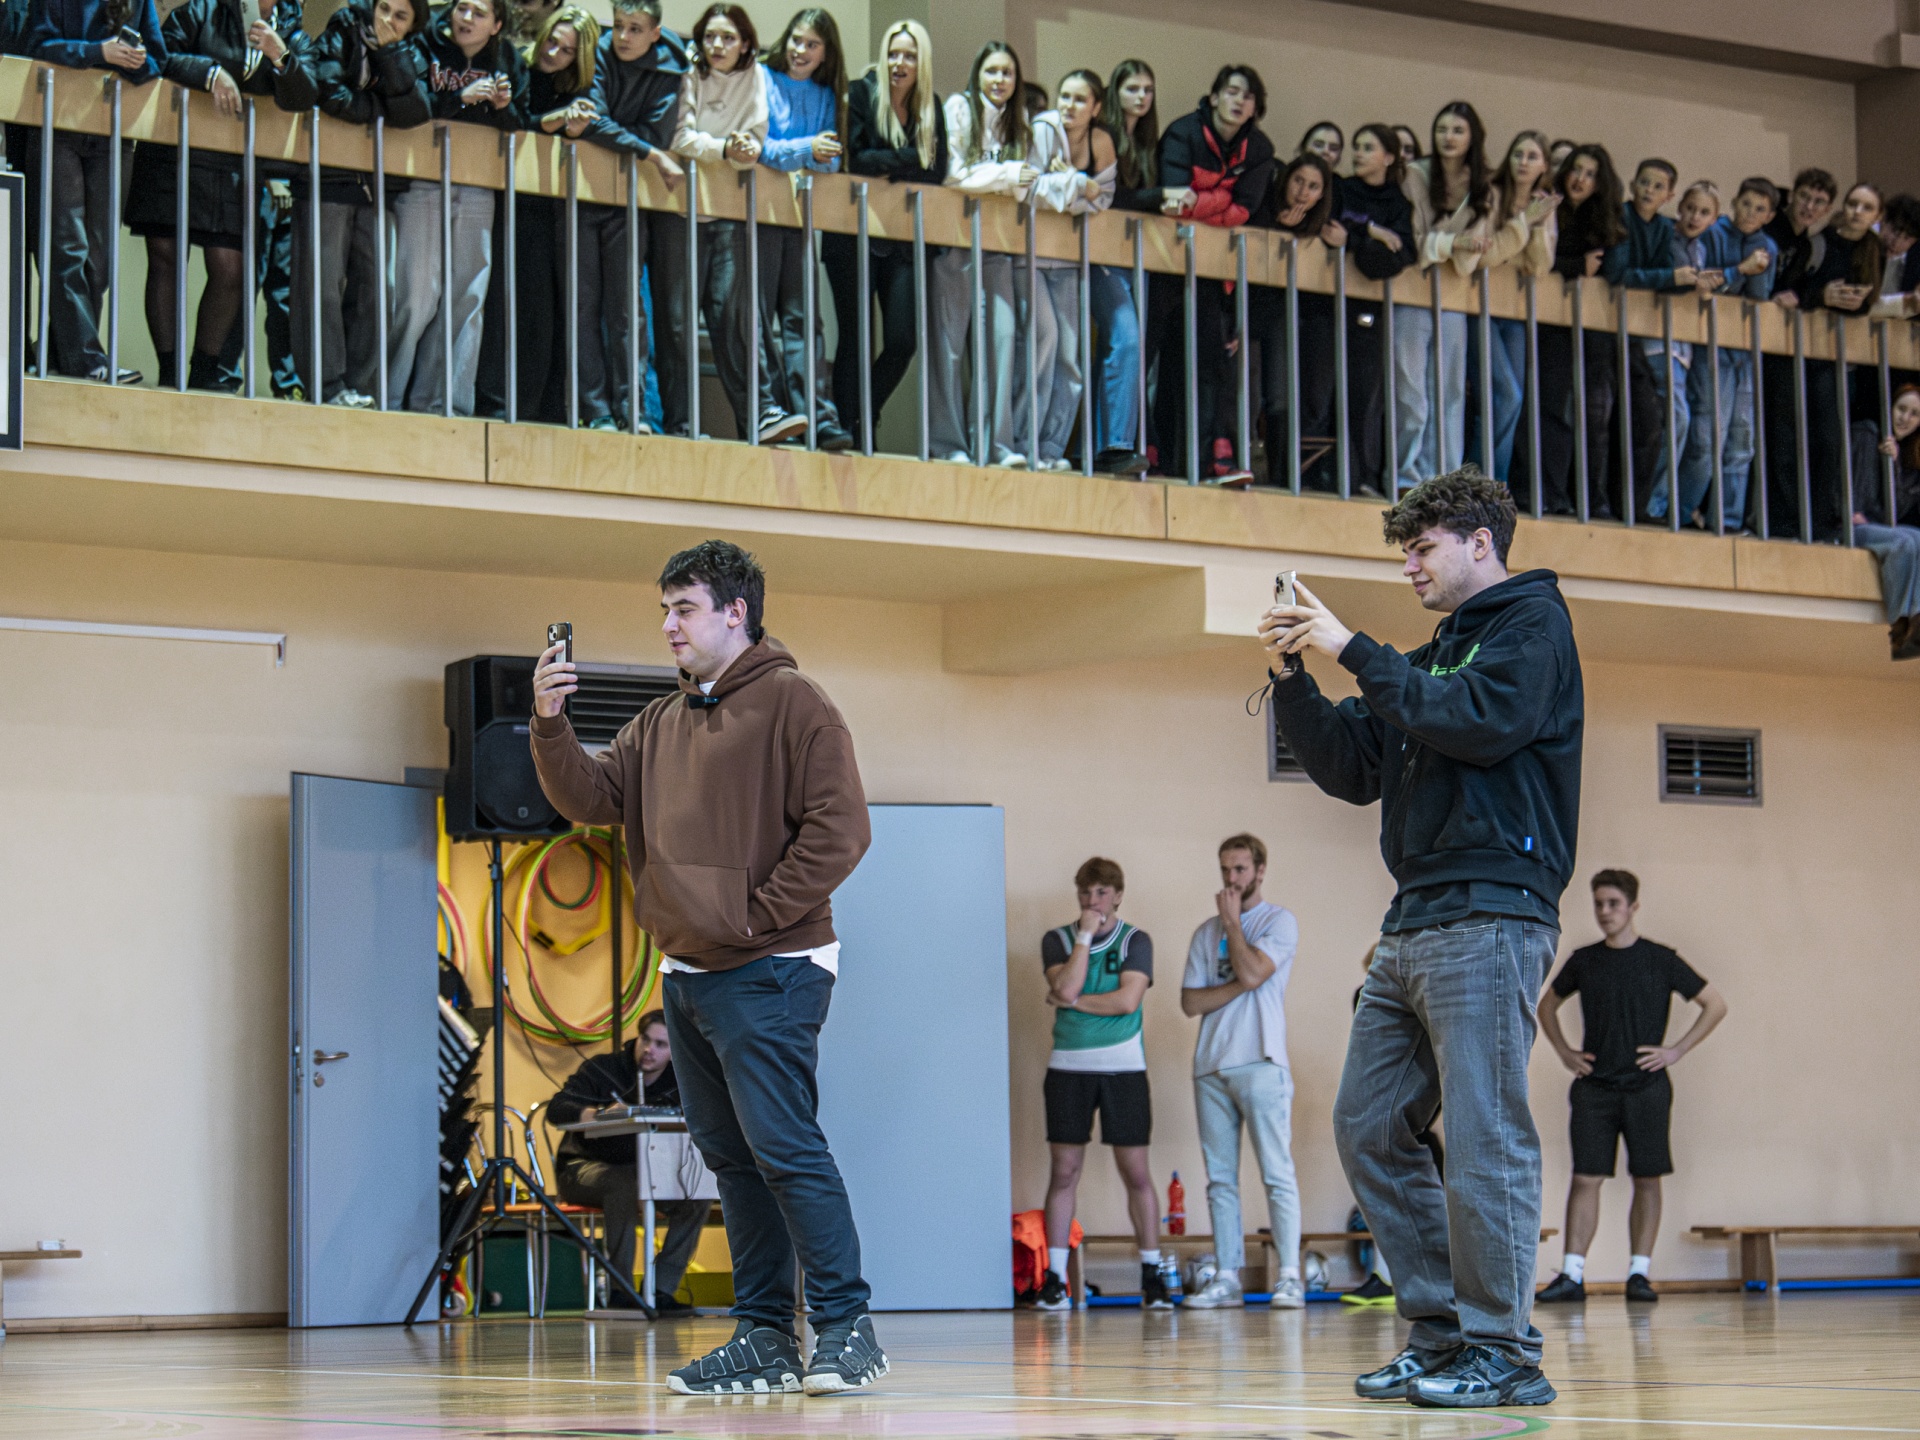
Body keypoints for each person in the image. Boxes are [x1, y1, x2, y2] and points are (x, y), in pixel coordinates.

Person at [529, 538, 884, 1396]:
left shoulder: (797, 704)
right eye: (664, 610)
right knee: (731, 1160)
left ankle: (848, 1328)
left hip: (773, 965)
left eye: (683, 608)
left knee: (784, 1147)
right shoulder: (658, 723)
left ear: (736, 612)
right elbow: (590, 798)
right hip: (688, 973)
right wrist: (550, 724)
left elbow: (842, 831)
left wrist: (753, 916)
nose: (668, 625)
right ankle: (764, 1336)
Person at [1260, 466, 1582, 1409]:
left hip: (1493, 912)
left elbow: (1481, 723)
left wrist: (1353, 648)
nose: (1409, 566)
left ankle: (1505, 1352)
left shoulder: (1533, 627)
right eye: (1405, 551)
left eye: (1422, 548)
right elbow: (1353, 768)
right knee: (1367, 1125)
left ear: (1481, 542)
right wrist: (1292, 675)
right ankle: (1442, 1334)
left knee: (1485, 1139)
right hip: (1413, 919)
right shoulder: (1433, 654)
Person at [1536, 870, 1727, 1304]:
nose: (1605, 912)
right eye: (1599, 904)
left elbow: (1715, 1004)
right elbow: (1546, 1006)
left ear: (1633, 907)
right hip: (1595, 1088)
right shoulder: (1584, 960)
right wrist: (1565, 1052)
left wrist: (1676, 1051)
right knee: (1586, 1177)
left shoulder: (1661, 960)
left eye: (1613, 904)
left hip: (1647, 1087)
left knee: (1647, 1177)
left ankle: (1639, 1273)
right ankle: (1572, 1275)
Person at [130, 0, 315, 393]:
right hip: (173, 147)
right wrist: (210, 73)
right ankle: (169, 374)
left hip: (232, 161)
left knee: (231, 269)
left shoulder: (292, 31)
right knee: (165, 259)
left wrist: (280, 55)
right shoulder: (203, 8)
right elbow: (161, 55)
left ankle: (203, 373)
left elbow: (305, 95)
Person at [1178, 834, 1304, 1311]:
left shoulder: (1278, 921)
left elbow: (1252, 972)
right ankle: (1227, 1276)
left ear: (1260, 871)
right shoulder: (1203, 933)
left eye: (1240, 869)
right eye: (1225, 869)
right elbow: (1191, 1001)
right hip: (1210, 1064)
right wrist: (1241, 982)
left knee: (1276, 1172)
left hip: (1261, 1062)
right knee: (1220, 1179)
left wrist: (1232, 924)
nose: (1231, 879)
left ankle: (1289, 1276)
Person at [1034, 857, 1163, 1311]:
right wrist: (1085, 937)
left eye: (1102, 893)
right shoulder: (1058, 940)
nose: (1093, 901)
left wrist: (1070, 1001)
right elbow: (1066, 986)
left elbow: (1127, 1001)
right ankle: (1054, 1278)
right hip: (1068, 1068)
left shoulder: (1135, 940)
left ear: (1118, 895)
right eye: (1086, 893)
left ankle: (1152, 1273)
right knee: (1064, 1171)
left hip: (1123, 1067)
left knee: (1136, 1172)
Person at [391, 0, 526, 416]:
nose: (466, 19)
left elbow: (521, 123)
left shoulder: (508, 60)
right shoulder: (423, 44)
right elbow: (407, 105)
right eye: (462, 8)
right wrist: (458, 97)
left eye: (479, 13)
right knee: (416, 295)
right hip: (423, 177)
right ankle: (389, 395)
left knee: (467, 298)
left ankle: (443, 403)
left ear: (496, 25)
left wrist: (503, 108)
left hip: (478, 183)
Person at [295, 0, 431, 409]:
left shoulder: (412, 51)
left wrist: (391, 53)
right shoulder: (345, 25)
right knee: (322, 286)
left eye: (400, 16)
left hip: (379, 186)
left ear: (413, 25)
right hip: (328, 177)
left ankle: (361, 386)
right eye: (383, 8)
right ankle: (325, 386)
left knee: (380, 291)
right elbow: (327, 90)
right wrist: (380, 114)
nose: (387, 20)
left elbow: (415, 111)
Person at [822, 18, 944, 453]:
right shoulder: (861, 93)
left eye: (909, 55)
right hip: (850, 233)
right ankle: (849, 429)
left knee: (902, 341)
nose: (899, 62)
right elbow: (855, 159)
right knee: (855, 338)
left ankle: (864, 411)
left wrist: (890, 162)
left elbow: (938, 171)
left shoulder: (931, 105)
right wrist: (910, 157)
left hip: (903, 241)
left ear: (921, 62)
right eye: (893, 53)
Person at [28, 0, 166, 384]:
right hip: (58, 123)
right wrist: (97, 52)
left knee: (99, 260)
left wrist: (136, 62)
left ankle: (60, 352)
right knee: (67, 250)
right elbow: (38, 46)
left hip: (112, 131)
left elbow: (158, 60)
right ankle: (88, 360)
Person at [1149, 63, 1273, 482]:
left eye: (1247, 96)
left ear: (1255, 107)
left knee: (1209, 365)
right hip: (1164, 262)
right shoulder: (1183, 132)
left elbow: (1245, 209)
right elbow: (1173, 201)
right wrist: (1221, 199)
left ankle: (1209, 458)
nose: (1239, 101)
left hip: (1210, 273)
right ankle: (1146, 445)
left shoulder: (1259, 149)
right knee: (1151, 358)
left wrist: (1201, 204)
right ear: (1215, 96)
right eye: (1232, 92)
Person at [547, 1010, 712, 1313]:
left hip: (646, 1173)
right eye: (645, 1040)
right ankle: (621, 1291)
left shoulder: (680, 1079)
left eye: (661, 1045)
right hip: (582, 1168)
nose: (649, 1049)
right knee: (623, 1184)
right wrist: (597, 1115)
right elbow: (556, 1109)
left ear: (674, 1050)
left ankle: (661, 1289)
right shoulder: (603, 1069)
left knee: (696, 1193)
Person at [574, 0, 689, 434]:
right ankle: (596, 410)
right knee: (582, 304)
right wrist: (649, 154)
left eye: (635, 29)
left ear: (656, 33)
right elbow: (592, 120)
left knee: (628, 309)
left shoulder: (671, 68)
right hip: (582, 191)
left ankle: (635, 410)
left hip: (630, 199)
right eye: (619, 25)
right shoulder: (599, 50)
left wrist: (627, 140)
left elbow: (654, 131)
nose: (623, 36)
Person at [483, 3, 594, 425]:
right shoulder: (518, 66)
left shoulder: (581, 90)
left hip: (555, 209)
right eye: (551, 41)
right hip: (512, 201)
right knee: (506, 304)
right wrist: (554, 122)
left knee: (549, 314)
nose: (552, 53)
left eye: (566, 50)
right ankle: (498, 401)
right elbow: (516, 121)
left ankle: (543, 410)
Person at [672, 3, 778, 443]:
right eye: (710, 37)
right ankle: (680, 423)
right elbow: (681, 137)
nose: (717, 45)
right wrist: (723, 149)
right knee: (678, 323)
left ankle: (759, 418)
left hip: (730, 213)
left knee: (733, 321)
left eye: (728, 38)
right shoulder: (689, 73)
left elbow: (756, 135)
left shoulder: (757, 76)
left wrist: (743, 150)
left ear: (746, 43)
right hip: (683, 213)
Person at [931, 40, 1037, 467]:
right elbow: (954, 175)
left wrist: (1000, 178)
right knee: (950, 346)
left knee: (1002, 343)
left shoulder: (1018, 121)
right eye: (992, 71)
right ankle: (947, 444)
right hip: (956, 241)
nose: (999, 80)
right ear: (977, 74)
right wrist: (1006, 174)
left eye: (1007, 73)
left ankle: (996, 445)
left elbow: (1024, 188)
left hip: (998, 245)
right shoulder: (959, 108)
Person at [755, 7, 850, 449]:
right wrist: (806, 148)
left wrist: (805, 152)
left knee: (803, 320)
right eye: (796, 39)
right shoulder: (762, 78)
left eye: (812, 44)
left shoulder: (826, 95)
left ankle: (817, 416)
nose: (801, 50)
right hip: (759, 213)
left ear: (825, 53)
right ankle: (774, 414)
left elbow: (830, 160)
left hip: (799, 217)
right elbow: (762, 148)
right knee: (758, 318)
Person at [1396, 102, 1494, 492]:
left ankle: (1444, 477)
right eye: (1442, 129)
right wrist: (1453, 242)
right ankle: (1407, 474)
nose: (1448, 137)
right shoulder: (1415, 175)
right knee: (1411, 388)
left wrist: (1458, 246)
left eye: (1457, 130)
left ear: (1472, 137)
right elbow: (1415, 240)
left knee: (1451, 391)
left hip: (1454, 295)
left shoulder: (1484, 186)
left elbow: (1472, 257)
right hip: (1412, 289)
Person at [1672, 178, 1777, 532]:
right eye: (1746, 204)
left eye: (1760, 209)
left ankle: (1728, 519)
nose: (1750, 213)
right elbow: (1706, 280)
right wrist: (1742, 269)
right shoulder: (1713, 232)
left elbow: (1759, 296)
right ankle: (1682, 510)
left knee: (1741, 438)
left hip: (1744, 349)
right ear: (1735, 202)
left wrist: (1758, 265)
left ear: (1769, 216)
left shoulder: (1767, 245)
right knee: (1706, 434)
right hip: (1711, 343)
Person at [1025, 69, 1114, 471]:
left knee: (1070, 357)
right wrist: (1079, 183)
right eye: (1064, 96)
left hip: (1070, 259)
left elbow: (1103, 201)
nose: (1069, 106)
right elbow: (1032, 190)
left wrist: (1070, 184)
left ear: (1096, 108)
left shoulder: (1101, 141)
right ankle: (1026, 442)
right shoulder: (1043, 128)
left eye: (1080, 99)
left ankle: (1051, 447)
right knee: (1043, 346)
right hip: (1031, 254)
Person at [1791, 181, 1883, 542]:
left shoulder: (1874, 250)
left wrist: (1856, 301)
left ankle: (1826, 518)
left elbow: (1870, 301)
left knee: (1836, 440)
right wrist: (1822, 296)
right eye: (1853, 204)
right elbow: (1792, 289)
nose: (1857, 212)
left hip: (1845, 358)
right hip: (1809, 350)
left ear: (1876, 216)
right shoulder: (1819, 242)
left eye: (1866, 207)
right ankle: (1805, 519)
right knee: (1812, 437)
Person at [1537, 143, 1625, 517]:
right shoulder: (1548, 207)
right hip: (1552, 320)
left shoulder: (1606, 220)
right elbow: (1541, 261)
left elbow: (1613, 269)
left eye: (1590, 175)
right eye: (1576, 170)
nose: (1580, 180)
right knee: (1553, 408)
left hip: (1595, 323)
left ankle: (1593, 497)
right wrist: (1576, 267)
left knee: (1595, 414)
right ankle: (1552, 493)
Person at [1332, 123, 1415, 496]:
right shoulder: (1341, 188)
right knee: (1325, 392)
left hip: (1370, 309)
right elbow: (1329, 225)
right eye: (1357, 146)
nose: (1359, 154)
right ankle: (1328, 472)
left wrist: (1355, 241)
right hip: (1328, 303)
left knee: (1366, 394)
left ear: (1389, 157)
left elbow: (1396, 257)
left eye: (1368, 147)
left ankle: (1363, 475)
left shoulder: (1399, 204)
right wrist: (1370, 232)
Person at [1477, 130, 1558, 490]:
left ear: (1544, 166)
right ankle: (1483, 481)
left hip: (1515, 311)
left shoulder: (1543, 206)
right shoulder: (1492, 196)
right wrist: (1523, 222)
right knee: (1504, 394)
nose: (1523, 162)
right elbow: (1489, 254)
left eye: (1532, 156)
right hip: (1480, 305)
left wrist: (1536, 225)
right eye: (1517, 154)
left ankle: (1495, 481)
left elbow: (1538, 267)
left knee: (1514, 399)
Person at [1759, 167, 1836, 539]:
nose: (1810, 206)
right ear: (1793, 196)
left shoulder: (1810, 246)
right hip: (1757, 340)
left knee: (1790, 434)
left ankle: (1792, 516)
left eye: (1819, 202)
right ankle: (1772, 516)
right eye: (1805, 197)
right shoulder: (1769, 228)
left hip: (1784, 346)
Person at [1251, 152, 1336, 489]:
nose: (1303, 192)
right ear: (1285, 179)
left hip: (1283, 314)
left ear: (1322, 194)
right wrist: (1277, 227)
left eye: (1313, 186)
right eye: (1298, 181)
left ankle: (1282, 476)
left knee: (1281, 393)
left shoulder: (1322, 229)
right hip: (1246, 307)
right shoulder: (1262, 206)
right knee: (1248, 390)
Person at [1089, 56, 1156, 473]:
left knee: (1123, 348)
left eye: (1148, 90)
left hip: (1136, 255)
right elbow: (1111, 196)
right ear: (1115, 93)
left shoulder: (1148, 144)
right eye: (1133, 88)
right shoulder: (1103, 134)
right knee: (1125, 338)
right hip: (1101, 251)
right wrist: (1159, 198)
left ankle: (1107, 444)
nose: (1141, 97)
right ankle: (1114, 443)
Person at [1617, 158, 1693, 521]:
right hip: (1620, 328)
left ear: (1669, 196)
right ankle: (1641, 501)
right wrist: (1669, 278)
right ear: (1633, 184)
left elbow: (1671, 277)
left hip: (1647, 330)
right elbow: (1620, 273)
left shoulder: (1665, 228)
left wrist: (1674, 278)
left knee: (1670, 420)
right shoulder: (1620, 218)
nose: (1649, 190)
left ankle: (1652, 501)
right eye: (1644, 182)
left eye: (1658, 186)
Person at [1847, 382, 1920, 659]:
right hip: (1851, 525)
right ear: (1889, 407)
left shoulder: (1907, 456)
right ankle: (1899, 626)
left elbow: (1895, 511)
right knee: (1904, 544)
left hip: (1877, 527)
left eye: (1914, 414)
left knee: (1918, 538)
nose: (1905, 418)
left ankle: (1916, 621)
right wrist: (1852, 510)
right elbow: (1852, 486)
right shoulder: (1866, 433)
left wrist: (1895, 465)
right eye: (1901, 409)